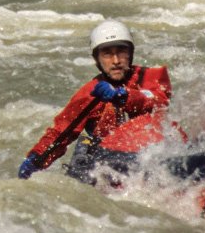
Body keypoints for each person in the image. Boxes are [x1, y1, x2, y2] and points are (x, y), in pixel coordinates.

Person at [17, 20, 171, 179]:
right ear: (97, 59)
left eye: (121, 52)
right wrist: (35, 159)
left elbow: (158, 99)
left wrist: (124, 96)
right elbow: (61, 131)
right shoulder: (89, 93)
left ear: (130, 54)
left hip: (150, 152)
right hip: (108, 159)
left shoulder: (152, 77)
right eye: (107, 54)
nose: (116, 60)